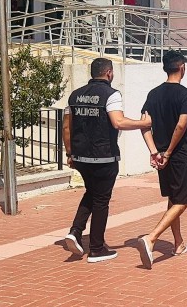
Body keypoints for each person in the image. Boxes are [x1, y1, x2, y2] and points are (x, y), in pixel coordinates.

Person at [63, 58, 152, 263]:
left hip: (80, 156)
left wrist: (70, 154)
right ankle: (96, 248)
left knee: (92, 193)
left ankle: (75, 231)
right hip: (103, 157)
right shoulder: (111, 94)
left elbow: (67, 127)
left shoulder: (75, 95)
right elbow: (118, 122)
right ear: (109, 73)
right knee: (101, 200)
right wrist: (144, 123)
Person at [136, 51, 187, 269]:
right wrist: (169, 152)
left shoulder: (153, 94)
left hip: (161, 154)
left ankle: (178, 243)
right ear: (182, 68)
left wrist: (155, 151)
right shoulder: (186, 95)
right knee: (181, 202)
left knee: (172, 198)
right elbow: (181, 125)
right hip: (177, 155)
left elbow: (144, 125)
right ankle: (151, 238)